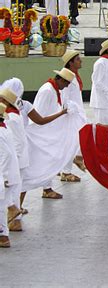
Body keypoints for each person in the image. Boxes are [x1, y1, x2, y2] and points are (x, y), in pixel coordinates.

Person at [1, 78, 68, 215]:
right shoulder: (24, 105)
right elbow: (40, 120)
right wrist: (61, 113)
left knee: (11, 184)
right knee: (18, 182)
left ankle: (13, 210)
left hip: (15, 147)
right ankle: (16, 209)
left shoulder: (10, 115)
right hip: (22, 146)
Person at [21, 68, 78, 201]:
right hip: (41, 133)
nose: (67, 86)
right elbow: (38, 115)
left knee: (49, 159)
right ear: (60, 79)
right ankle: (40, 189)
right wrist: (61, 113)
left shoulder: (55, 90)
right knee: (40, 161)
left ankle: (47, 188)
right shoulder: (47, 91)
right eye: (66, 83)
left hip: (49, 131)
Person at [60, 50, 88, 182]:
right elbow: (64, 98)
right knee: (70, 142)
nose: (80, 61)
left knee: (78, 139)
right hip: (71, 115)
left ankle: (77, 157)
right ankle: (66, 172)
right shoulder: (66, 76)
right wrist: (72, 111)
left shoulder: (74, 75)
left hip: (77, 113)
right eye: (77, 59)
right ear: (70, 63)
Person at [0, 89, 25, 233]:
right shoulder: (8, 123)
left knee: (2, 206)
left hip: (7, 172)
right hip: (11, 169)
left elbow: (7, 153)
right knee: (5, 203)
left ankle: (4, 234)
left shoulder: (11, 120)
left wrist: (3, 175)